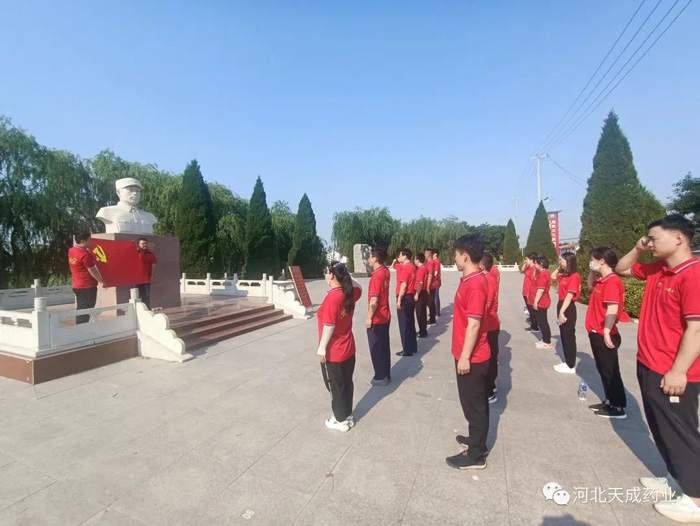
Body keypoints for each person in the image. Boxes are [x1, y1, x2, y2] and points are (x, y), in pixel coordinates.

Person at [616, 215, 700, 523]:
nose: (649, 243)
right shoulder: (659, 270)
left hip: (673, 371)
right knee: (661, 428)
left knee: (680, 432)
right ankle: (677, 479)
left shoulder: (693, 275)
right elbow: (622, 269)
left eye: (654, 238)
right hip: (649, 363)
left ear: (678, 238)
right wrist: (638, 248)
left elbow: (696, 329)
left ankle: (696, 500)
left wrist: (678, 371)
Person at [446, 234, 491, 470]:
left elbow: (474, 324)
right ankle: (477, 440)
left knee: (474, 405)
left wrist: (465, 357)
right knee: (474, 403)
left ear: (465, 256)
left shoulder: (475, 285)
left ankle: (475, 455)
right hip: (467, 352)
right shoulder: (470, 279)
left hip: (473, 356)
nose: (454, 258)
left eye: (456, 254)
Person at [317, 262, 362, 432]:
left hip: (335, 350)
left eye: (327, 272)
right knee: (347, 383)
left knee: (336, 386)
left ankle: (339, 419)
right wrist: (346, 276)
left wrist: (322, 348)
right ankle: (347, 415)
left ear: (331, 275)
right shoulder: (348, 292)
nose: (325, 275)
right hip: (348, 347)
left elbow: (329, 326)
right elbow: (359, 288)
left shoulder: (332, 298)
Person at [585, 247, 627, 419]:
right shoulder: (602, 281)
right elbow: (589, 286)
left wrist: (607, 332)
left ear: (602, 260)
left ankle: (618, 406)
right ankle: (609, 400)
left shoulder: (612, 281)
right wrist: (591, 271)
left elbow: (612, 308)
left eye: (592, 260)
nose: (590, 262)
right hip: (596, 331)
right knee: (603, 369)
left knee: (610, 372)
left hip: (604, 333)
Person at [365, 248, 392, 386]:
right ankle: (386, 373)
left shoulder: (377, 275)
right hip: (385, 314)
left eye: (370, 256)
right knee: (384, 346)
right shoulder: (385, 271)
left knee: (376, 348)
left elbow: (374, 300)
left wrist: (369, 317)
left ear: (375, 258)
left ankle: (380, 376)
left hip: (378, 317)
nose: (369, 259)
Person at [552, 252, 581, 374]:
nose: (560, 262)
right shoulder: (564, 275)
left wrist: (562, 312)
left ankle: (570, 365)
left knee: (569, 336)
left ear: (569, 261)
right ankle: (567, 361)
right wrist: (559, 268)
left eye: (562, 260)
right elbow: (553, 276)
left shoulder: (574, 276)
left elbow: (569, 296)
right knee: (564, 335)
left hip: (567, 307)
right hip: (561, 304)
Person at [68, 232, 105, 324]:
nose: (91, 241)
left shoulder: (71, 250)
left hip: (77, 285)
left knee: (81, 308)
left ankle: (80, 327)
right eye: (90, 240)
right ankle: (81, 329)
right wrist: (102, 281)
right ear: (83, 241)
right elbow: (92, 270)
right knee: (85, 310)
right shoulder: (84, 254)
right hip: (87, 286)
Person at [480, 252, 500, 404]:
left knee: (489, 358)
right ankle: (490, 386)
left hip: (488, 324)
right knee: (491, 356)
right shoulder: (489, 279)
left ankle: (489, 391)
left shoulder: (488, 280)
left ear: (481, 266)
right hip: (490, 323)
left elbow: (485, 307)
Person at [392, 250, 417, 356]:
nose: (399, 257)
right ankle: (413, 347)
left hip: (404, 297)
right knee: (410, 323)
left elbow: (403, 285)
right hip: (410, 296)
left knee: (404, 324)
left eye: (400, 255)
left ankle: (407, 350)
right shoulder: (412, 267)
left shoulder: (405, 269)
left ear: (405, 256)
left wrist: (399, 300)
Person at [532, 256, 553, 350]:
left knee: (542, 322)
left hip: (542, 301)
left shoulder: (543, 274)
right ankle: (545, 339)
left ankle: (547, 341)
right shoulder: (544, 273)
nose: (534, 265)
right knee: (542, 321)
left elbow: (541, 289)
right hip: (543, 300)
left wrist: (535, 301)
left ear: (540, 264)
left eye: (536, 263)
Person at [136, 238, 157, 309]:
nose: (145, 245)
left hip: (146, 279)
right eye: (143, 244)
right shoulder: (134, 253)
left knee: (146, 296)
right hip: (136, 279)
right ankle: (137, 310)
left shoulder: (150, 254)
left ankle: (147, 310)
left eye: (146, 243)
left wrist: (152, 276)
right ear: (138, 244)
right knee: (136, 296)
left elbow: (153, 265)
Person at [523, 253, 540, 333]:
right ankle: (533, 326)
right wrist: (525, 263)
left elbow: (534, 282)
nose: (525, 261)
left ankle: (535, 327)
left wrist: (530, 293)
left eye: (527, 259)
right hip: (525, 292)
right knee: (530, 311)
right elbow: (523, 270)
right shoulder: (528, 268)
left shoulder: (534, 269)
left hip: (529, 293)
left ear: (532, 260)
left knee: (532, 311)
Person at [414, 253, 429, 338]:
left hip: (420, 292)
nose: (414, 261)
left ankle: (422, 332)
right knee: (423, 312)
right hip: (423, 292)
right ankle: (423, 330)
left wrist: (417, 294)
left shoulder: (420, 269)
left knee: (420, 314)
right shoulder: (425, 268)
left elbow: (420, 283)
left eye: (415, 259)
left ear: (418, 260)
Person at [425, 249, 437, 326]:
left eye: (426, 253)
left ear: (429, 254)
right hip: (431, 285)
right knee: (430, 302)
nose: (425, 255)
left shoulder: (430, 263)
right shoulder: (429, 263)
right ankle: (432, 318)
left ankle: (432, 319)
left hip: (431, 286)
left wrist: (427, 287)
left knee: (430, 302)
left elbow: (430, 274)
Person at [432, 249, 442, 317]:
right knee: (434, 297)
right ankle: (434, 311)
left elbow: (436, 272)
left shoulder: (436, 261)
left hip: (436, 282)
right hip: (435, 282)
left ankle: (437, 312)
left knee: (435, 297)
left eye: (432, 253)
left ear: (435, 254)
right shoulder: (434, 261)